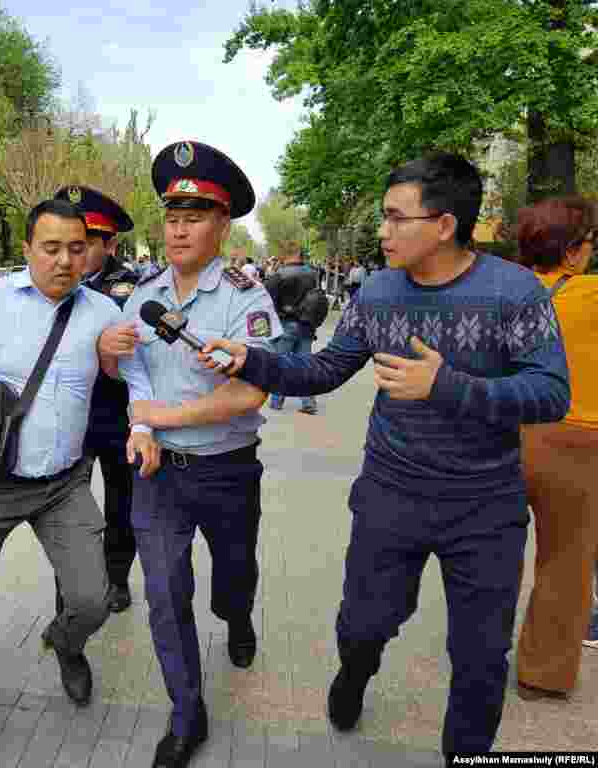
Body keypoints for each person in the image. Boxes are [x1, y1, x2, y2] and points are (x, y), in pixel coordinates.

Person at [195, 153, 570, 757]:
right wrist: (250, 359)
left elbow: (552, 393)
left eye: (397, 219)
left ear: (444, 225)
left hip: (486, 507)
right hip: (391, 498)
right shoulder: (378, 291)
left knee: (480, 658)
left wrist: (447, 385)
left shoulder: (513, 290)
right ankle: (355, 671)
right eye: (384, 218)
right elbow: (323, 369)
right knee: (364, 623)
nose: (383, 231)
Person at [0, 198, 160, 768]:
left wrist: (142, 424)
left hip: (64, 486)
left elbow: (137, 376)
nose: (65, 260)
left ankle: (65, 643)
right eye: (51, 248)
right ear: (27, 250)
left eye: (76, 248)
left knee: (94, 600)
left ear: (89, 251)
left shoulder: (101, 312)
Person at [111, 140, 282, 768]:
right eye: (172, 217)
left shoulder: (245, 298)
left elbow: (251, 389)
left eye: (195, 217)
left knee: (232, 580)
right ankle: (188, 714)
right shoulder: (143, 292)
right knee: (163, 591)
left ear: (222, 225)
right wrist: (143, 428)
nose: (179, 230)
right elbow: (134, 373)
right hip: (159, 475)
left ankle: (238, 619)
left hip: (229, 469)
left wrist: (163, 416)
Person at [513, 196, 598, 699]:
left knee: (489, 553)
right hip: (576, 442)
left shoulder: (500, 293)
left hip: (502, 432)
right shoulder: (591, 295)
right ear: (571, 252)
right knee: (566, 561)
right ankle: (541, 676)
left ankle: (476, 654)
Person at [54, 184, 140, 614]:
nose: (77, 251)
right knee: (65, 511)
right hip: (68, 417)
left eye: (87, 241)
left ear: (110, 244)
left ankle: (117, 576)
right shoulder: (51, 282)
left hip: (115, 416)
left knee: (121, 502)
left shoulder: (127, 289)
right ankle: (69, 586)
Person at [263, 239, 321, 415]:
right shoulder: (312, 274)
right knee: (304, 364)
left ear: (283, 255)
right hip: (307, 325)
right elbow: (317, 300)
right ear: (298, 253)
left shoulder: (277, 276)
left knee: (280, 363)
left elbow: (267, 303)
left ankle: (276, 401)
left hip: (284, 324)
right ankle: (308, 402)